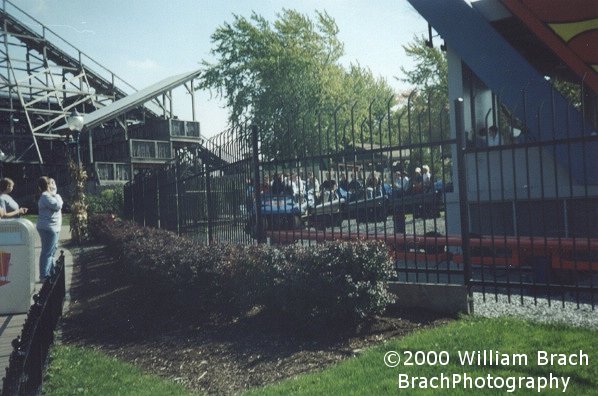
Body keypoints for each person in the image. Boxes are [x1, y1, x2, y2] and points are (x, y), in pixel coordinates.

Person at [36, 176, 63, 281]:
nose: (54, 185)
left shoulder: (48, 195)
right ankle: (44, 275)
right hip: (49, 228)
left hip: (52, 227)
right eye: (52, 183)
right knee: (47, 252)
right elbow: (58, 205)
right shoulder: (46, 196)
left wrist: (54, 194)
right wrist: (58, 195)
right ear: (47, 185)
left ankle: (50, 271)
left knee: (51, 251)